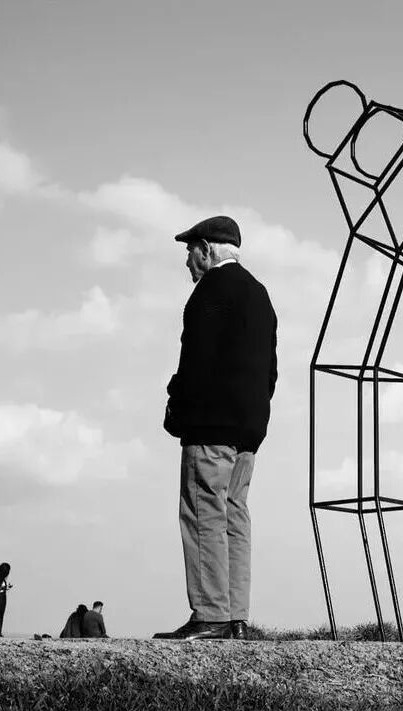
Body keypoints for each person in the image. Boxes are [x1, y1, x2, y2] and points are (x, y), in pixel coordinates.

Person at [154, 215, 278, 641]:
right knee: (234, 515)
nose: (187, 261)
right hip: (249, 430)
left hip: (210, 427)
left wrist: (176, 405)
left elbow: (196, 361)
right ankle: (235, 616)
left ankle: (209, 614)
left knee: (203, 511)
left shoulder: (209, 292)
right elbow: (270, 371)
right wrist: (254, 416)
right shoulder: (260, 294)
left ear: (206, 250)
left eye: (190, 251)